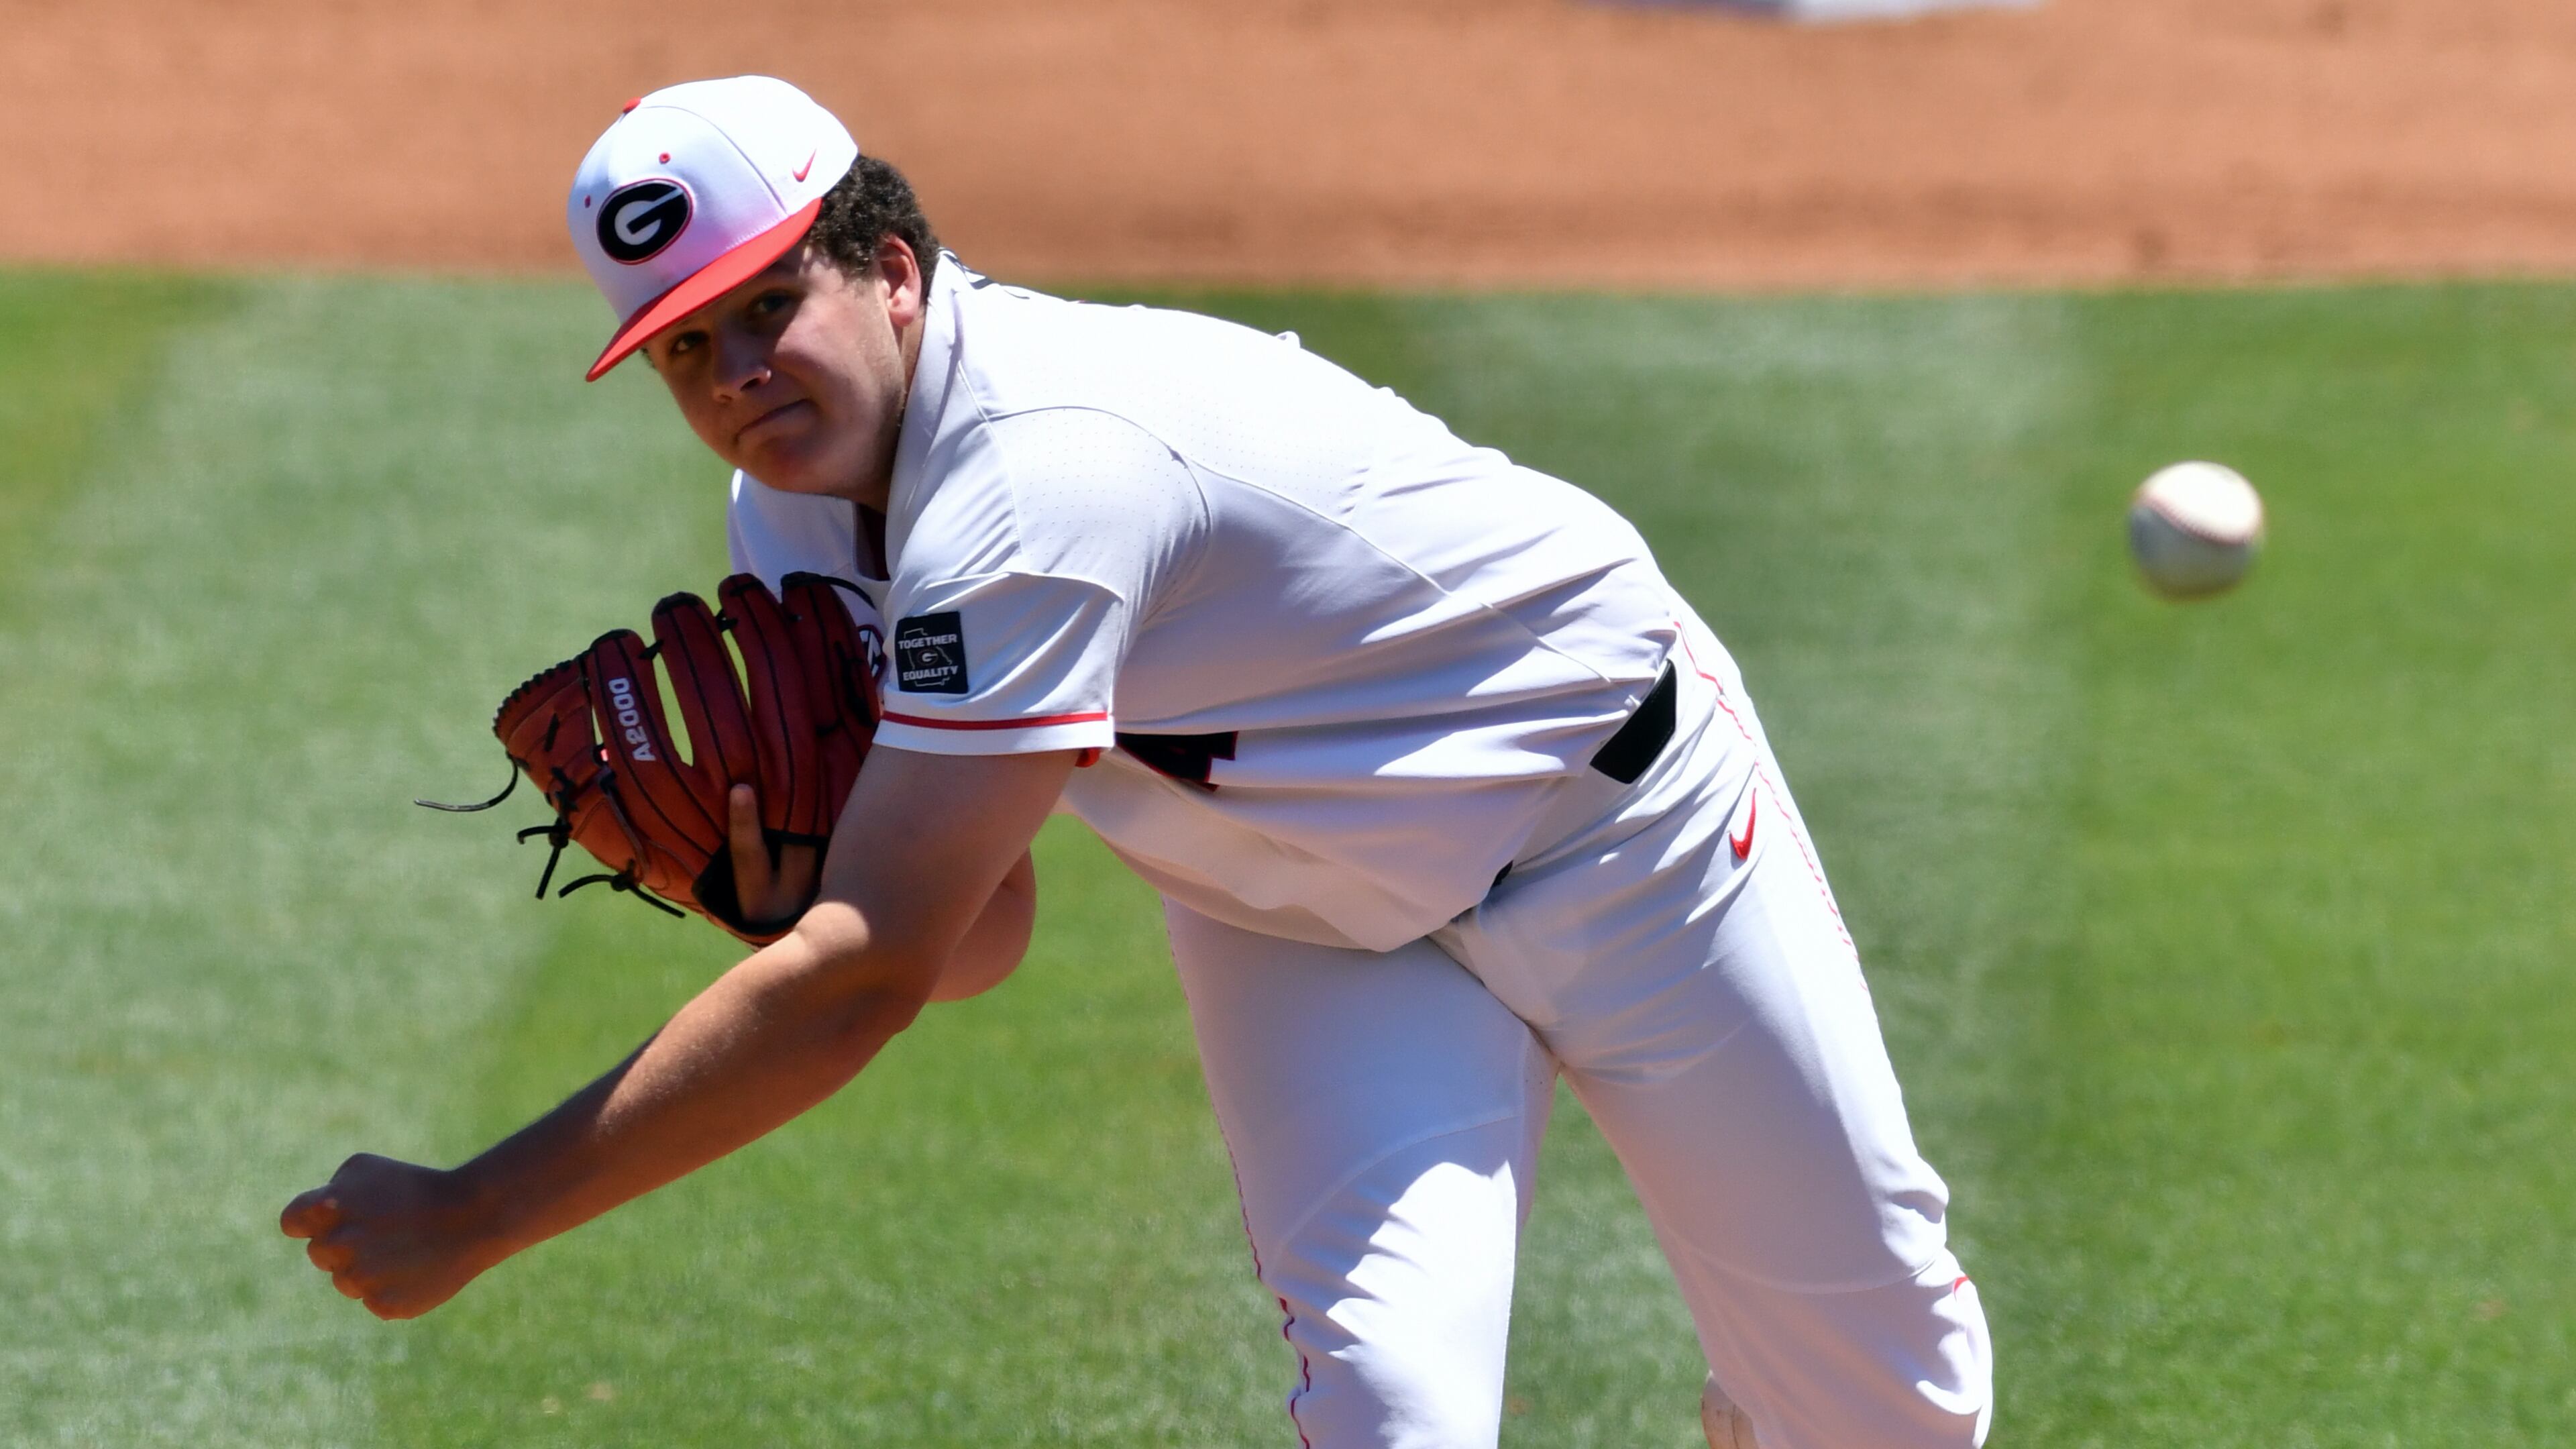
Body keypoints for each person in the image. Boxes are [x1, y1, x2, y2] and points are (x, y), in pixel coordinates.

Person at [280, 76, 1993, 1448]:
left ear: (890, 265)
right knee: (1391, 1414)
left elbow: (866, 980)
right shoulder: (795, 510)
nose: (736, 379)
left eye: (764, 307)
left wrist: (479, 1210)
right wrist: (784, 895)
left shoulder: (1044, 471)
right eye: (682, 349)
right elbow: (980, 934)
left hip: (1621, 830)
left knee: (1883, 1405)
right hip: (1299, 917)